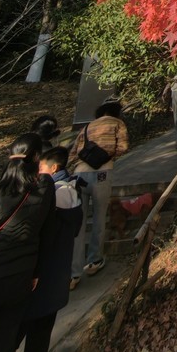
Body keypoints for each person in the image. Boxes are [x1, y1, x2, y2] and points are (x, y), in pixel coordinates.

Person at [0, 132, 54, 352]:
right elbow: (47, 234)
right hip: (21, 277)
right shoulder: (45, 190)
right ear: (36, 158)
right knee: (3, 342)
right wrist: (36, 272)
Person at [15, 145, 83, 352]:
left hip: (37, 282)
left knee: (14, 336)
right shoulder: (71, 190)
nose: (38, 172)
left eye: (41, 168)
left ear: (53, 168)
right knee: (39, 341)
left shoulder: (53, 194)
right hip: (55, 282)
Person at [69, 100, 129, 287]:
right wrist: (108, 157)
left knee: (78, 223)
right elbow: (123, 147)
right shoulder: (118, 123)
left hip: (79, 174)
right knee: (99, 217)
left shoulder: (87, 127)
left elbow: (73, 153)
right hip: (102, 173)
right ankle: (94, 260)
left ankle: (73, 273)